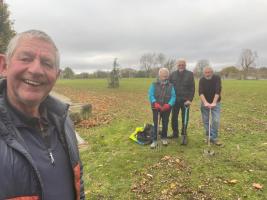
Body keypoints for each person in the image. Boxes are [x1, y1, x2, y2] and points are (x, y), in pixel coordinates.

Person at [0, 30, 85, 199]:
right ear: (4, 66)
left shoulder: (64, 121)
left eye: (47, 63)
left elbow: (78, 184)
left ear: (57, 75)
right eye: (25, 58)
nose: (36, 69)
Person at [148, 68, 176, 148]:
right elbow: (150, 94)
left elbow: (173, 96)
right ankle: (154, 140)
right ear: (159, 75)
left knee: (165, 123)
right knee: (156, 123)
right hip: (156, 107)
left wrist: (169, 104)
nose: (165, 78)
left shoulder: (171, 86)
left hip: (166, 108)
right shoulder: (154, 84)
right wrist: (154, 102)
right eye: (163, 76)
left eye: (166, 76)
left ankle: (164, 137)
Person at [169, 58, 195, 145]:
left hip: (185, 101)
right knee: (174, 118)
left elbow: (192, 88)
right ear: (177, 65)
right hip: (175, 100)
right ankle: (175, 133)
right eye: (179, 65)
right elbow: (169, 87)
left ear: (185, 65)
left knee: (185, 118)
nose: (181, 66)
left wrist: (189, 100)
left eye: (182, 65)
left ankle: (184, 134)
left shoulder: (190, 74)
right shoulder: (172, 74)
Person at [199, 66, 222, 145]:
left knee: (216, 120)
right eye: (206, 72)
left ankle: (214, 137)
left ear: (212, 72)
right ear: (204, 73)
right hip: (204, 103)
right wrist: (205, 102)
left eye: (209, 72)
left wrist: (214, 102)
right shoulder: (202, 80)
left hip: (216, 103)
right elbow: (200, 92)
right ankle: (209, 136)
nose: (207, 74)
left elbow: (218, 90)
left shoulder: (217, 78)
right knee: (206, 121)